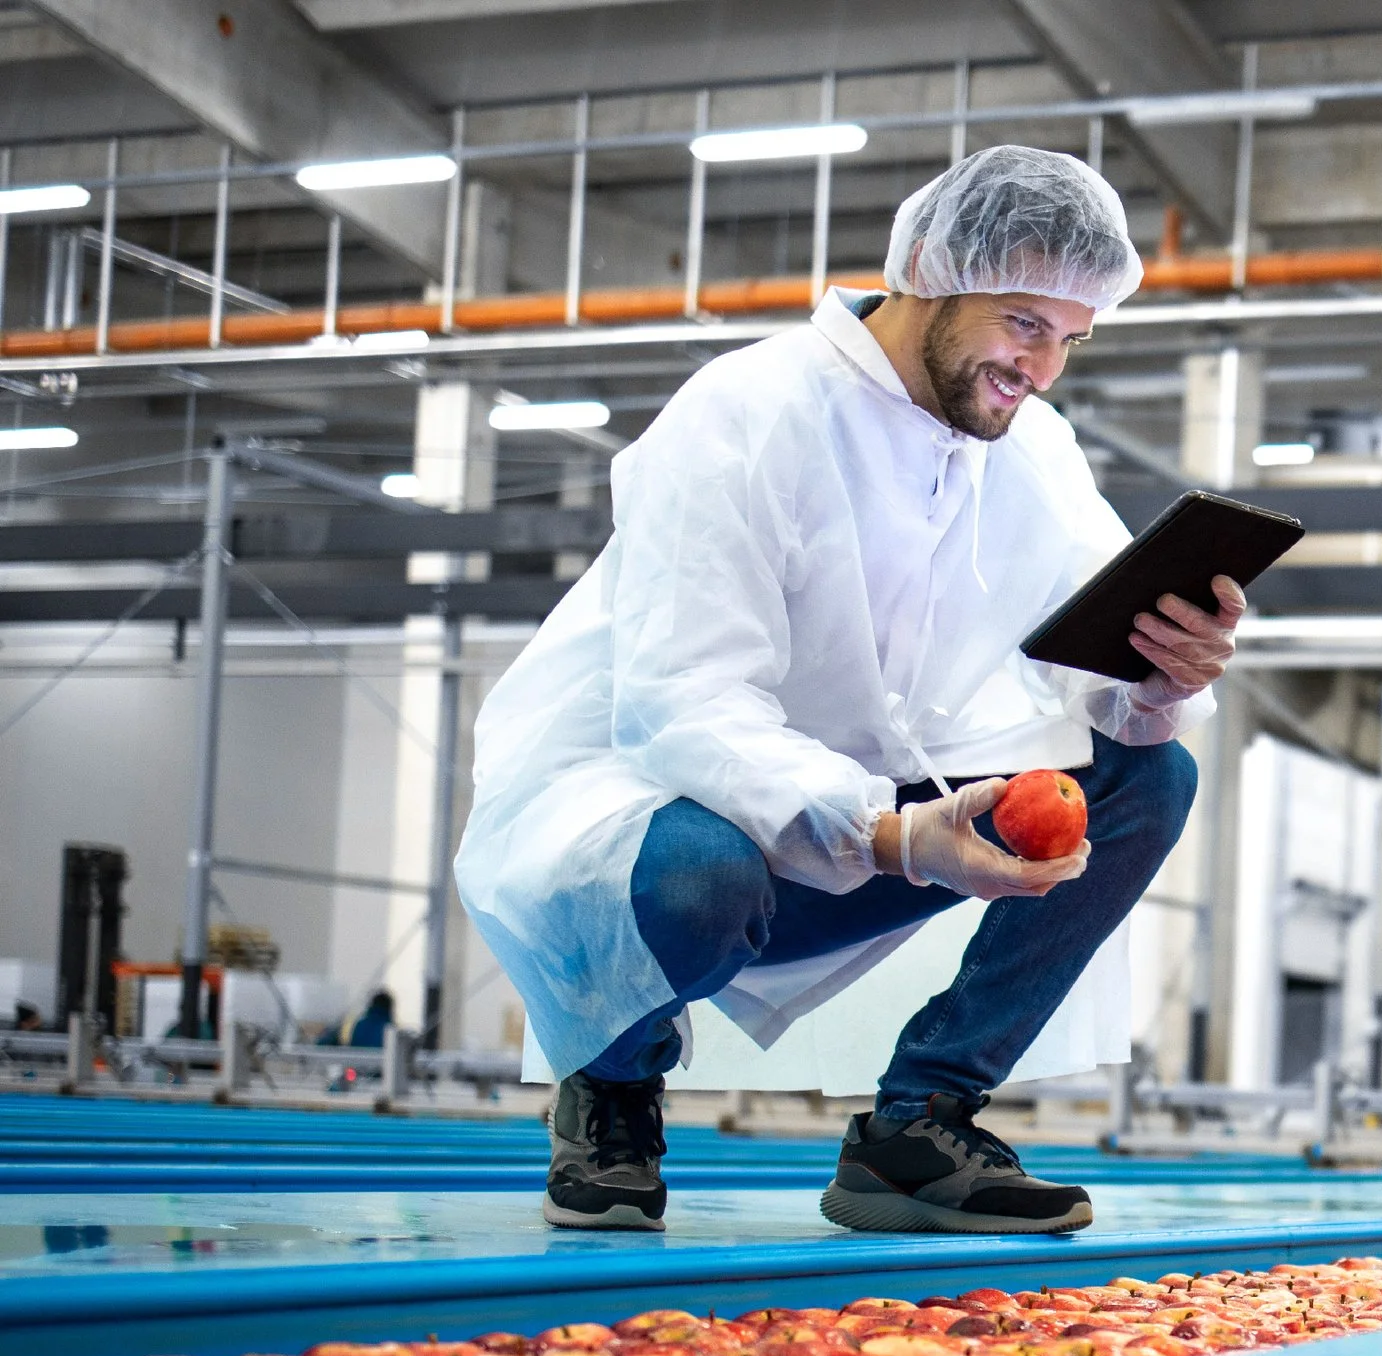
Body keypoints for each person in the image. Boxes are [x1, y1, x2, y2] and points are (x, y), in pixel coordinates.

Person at [457, 146, 1241, 1237]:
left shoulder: (1033, 453)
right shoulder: (748, 411)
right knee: (704, 874)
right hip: (654, 821)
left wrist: (1159, 669)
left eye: (1070, 337)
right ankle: (613, 1077)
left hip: (884, 811)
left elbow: (1098, 676)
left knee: (1149, 776)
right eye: (1023, 321)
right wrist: (894, 835)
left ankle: (921, 1120)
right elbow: (683, 705)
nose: (1042, 367)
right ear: (927, 265)